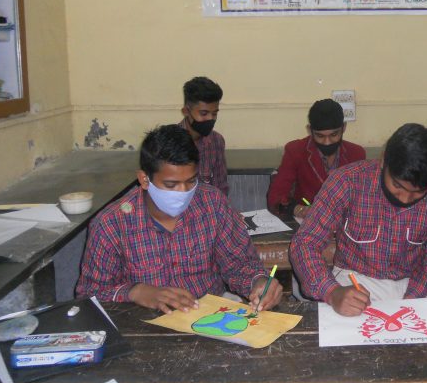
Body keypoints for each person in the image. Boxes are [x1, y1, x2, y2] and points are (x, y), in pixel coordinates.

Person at [76, 125, 282, 313]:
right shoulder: (111, 224)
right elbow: (89, 294)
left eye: (191, 181)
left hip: (210, 315)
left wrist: (259, 281)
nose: (183, 191)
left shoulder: (212, 204)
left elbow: (239, 263)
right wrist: (135, 292)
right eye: (171, 184)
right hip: (143, 323)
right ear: (144, 179)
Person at [289, 123, 427, 316]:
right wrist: (332, 292)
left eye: (418, 193)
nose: (404, 199)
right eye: (397, 186)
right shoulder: (347, 181)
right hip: (354, 282)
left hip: (414, 284)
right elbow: (305, 243)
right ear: (384, 160)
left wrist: (412, 298)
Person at [267, 99, 366, 219]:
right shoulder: (296, 151)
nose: (327, 142)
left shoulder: (356, 154)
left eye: (334, 135)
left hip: (345, 222)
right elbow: (275, 198)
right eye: (320, 136)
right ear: (310, 130)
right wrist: (298, 209)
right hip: (307, 222)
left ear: (344, 127)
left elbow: (364, 198)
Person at [179, 76, 228, 195]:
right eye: (204, 113)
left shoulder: (216, 141)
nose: (210, 119)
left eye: (214, 114)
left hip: (208, 205)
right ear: (186, 111)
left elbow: (221, 188)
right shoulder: (167, 142)